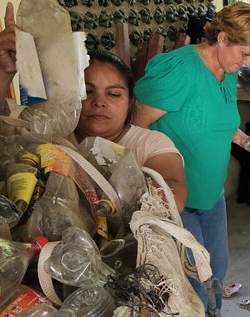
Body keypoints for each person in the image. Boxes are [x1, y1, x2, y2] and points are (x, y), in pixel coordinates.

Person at [131, 2, 250, 317]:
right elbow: (135, 129)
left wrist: (244, 140)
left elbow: (221, 122)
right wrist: (146, 190)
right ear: (222, 38)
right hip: (175, 198)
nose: (248, 61)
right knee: (193, 279)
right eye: (246, 53)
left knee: (217, 272)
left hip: (210, 195)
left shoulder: (228, 70)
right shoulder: (178, 70)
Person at [74, 50, 186, 210]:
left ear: (130, 103)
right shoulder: (51, 139)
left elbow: (174, 197)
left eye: (113, 94)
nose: (99, 102)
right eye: (87, 91)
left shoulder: (151, 144)